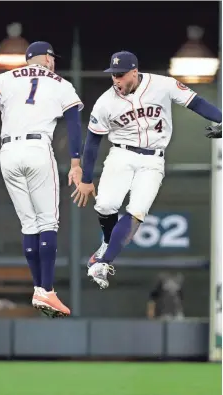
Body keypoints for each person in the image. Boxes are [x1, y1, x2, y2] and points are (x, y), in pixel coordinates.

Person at [0, 41, 84, 317]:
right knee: (47, 222)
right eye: (52, 57)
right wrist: (76, 163)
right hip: (37, 149)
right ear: (45, 58)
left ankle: (39, 289)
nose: (53, 62)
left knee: (29, 224)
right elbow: (73, 123)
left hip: (8, 152)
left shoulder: (6, 77)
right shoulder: (61, 84)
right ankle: (46, 290)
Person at [72, 50, 222, 289]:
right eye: (113, 75)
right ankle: (107, 244)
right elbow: (92, 143)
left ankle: (103, 261)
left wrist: (221, 118)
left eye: (121, 75)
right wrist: (87, 179)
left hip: (154, 159)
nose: (116, 80)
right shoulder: (105, 102)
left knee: (137, 211)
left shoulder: (162, 85)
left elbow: (196, 102)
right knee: (105, 205)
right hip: (122, 153)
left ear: (135, 71)